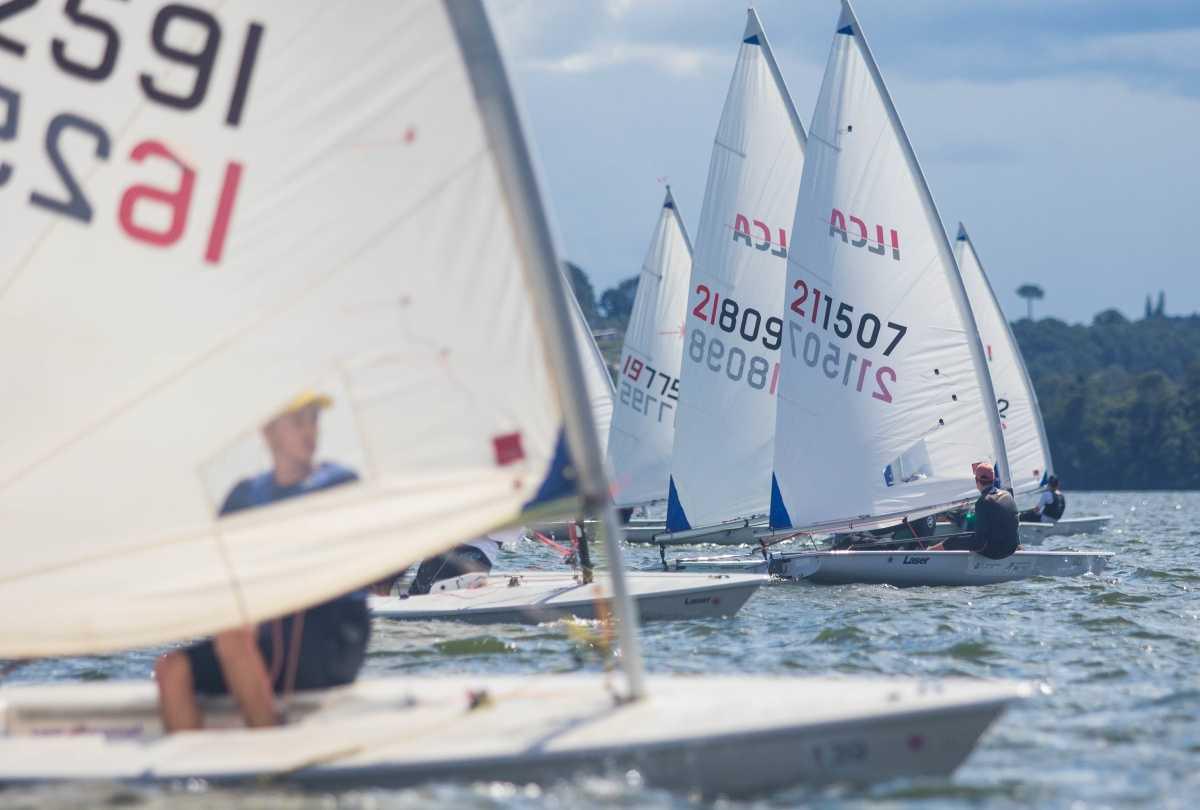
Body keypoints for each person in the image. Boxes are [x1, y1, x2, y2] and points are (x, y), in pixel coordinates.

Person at [155, 393, 369, 732]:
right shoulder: (244, 496)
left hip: (333, 637)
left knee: (234, 637)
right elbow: (218, 565)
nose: (309, 431)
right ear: (269, 432)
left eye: (313, 419)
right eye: (297, 422)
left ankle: (270, 755)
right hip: (269, 637)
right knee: (172, 668)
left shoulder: (338, 483)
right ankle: (193, 775)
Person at [927, 462, 1019, 559]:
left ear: (976, 481)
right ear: (993, 479)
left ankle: (929, 552)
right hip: (1011, 548)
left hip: (995, 552)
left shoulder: (983, 502)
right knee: (969, 524)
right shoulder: (1007, 495)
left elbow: (979, 543)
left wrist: (954, 543)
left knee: (953, 540)